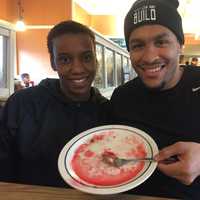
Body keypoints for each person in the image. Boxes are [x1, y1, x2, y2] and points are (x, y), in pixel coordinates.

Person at [109, 0, 200, 199]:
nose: (149, 57)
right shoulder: (121, 97)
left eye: (161, 42)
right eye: (138, 45)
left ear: (180, 45)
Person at [0, 20, 108, 187]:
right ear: (53, 62)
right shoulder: (22, 104)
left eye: (86, 57)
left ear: (96, 59)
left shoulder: (107, 112)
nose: (78, 68)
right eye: (65, 59)